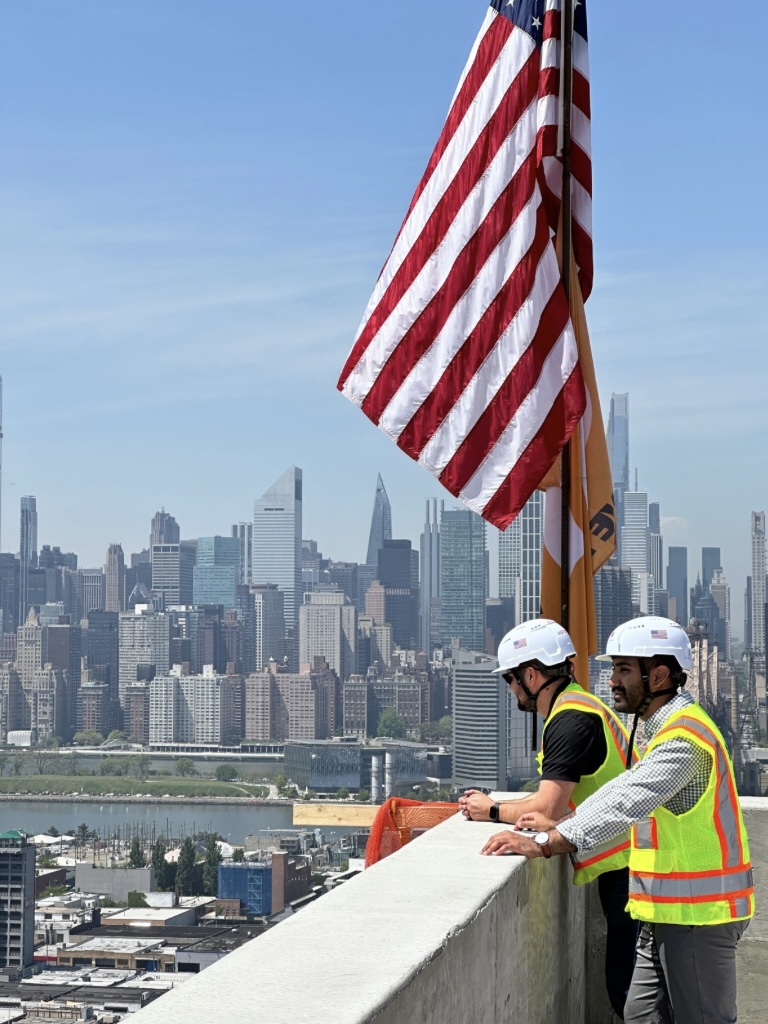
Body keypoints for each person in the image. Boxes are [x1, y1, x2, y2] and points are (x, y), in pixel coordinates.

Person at [482, 616, 755, 1024]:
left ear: (659, 675)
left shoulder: (685, 737)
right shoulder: (654, 728)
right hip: (661, 911)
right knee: (639, 1015)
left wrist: (546, 843)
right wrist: (555, 829)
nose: (611, 680)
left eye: (624, 670)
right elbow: (616, 791)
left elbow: (627, 801)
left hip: (700, 916)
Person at [458, 618, 638, 1019]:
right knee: (630, 993)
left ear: (531, 675)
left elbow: (547, 808)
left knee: (629, 997)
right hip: (628, 864)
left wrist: (490, 811)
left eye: (510, 679)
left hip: (631, 872)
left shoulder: (571, 721)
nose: (510, 689)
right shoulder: (580, 706)